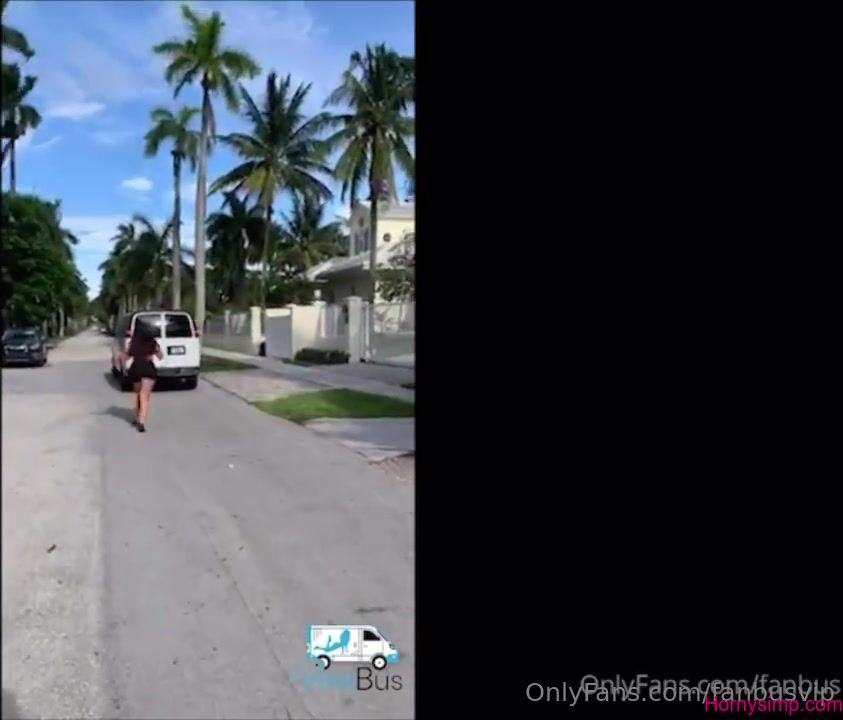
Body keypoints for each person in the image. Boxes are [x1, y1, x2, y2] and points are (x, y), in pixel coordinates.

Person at [125, 326, 162, 432]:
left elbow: (127, 356)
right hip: (148, 369)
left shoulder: (134, 343)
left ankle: (137, 417)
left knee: (138, 394)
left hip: (136, 369)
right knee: (144, 396)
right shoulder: (153, 342)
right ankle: (141, 422)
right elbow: (160, 357)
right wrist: (154, 352)